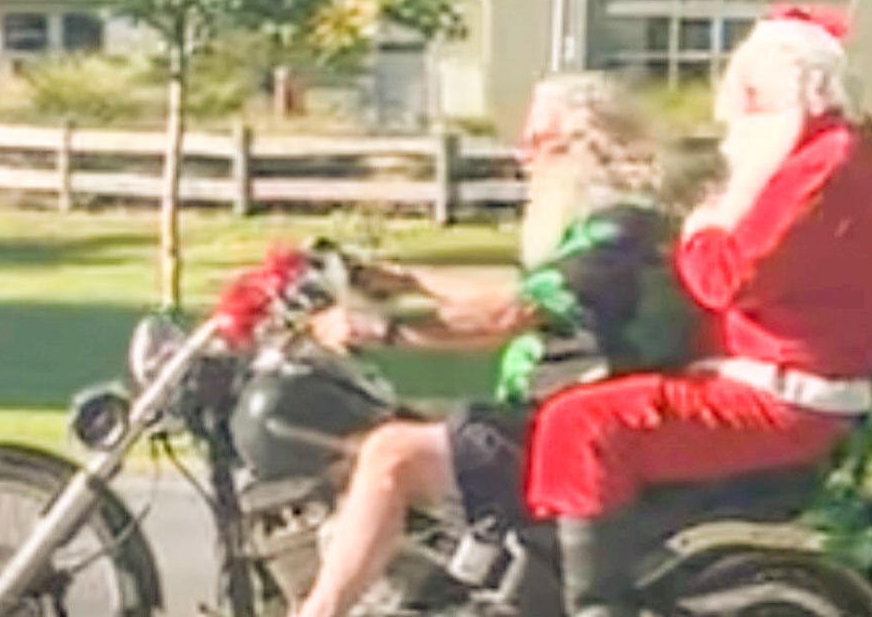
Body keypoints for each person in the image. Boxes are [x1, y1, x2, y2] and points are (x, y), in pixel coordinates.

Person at [524, 5, 872, 617]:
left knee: (582, 424)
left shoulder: (820, 167)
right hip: (789, 378)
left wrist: (700, 228)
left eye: (748, 96)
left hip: (779, 399)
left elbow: (729, 276)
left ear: (793, 91)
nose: (734, 116)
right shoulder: (845, 153)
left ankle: (598, 606)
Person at [292, 72, 690, 617]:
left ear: (587, 145)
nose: (523, 158)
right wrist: (404, 281)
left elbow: (507, 316)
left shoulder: (618, 234)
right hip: (554, 413)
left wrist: (384, 331)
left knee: (393, 454)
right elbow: (516, 294)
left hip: (570, 429)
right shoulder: (601, 228)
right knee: (364, 439)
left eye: (537, 142)